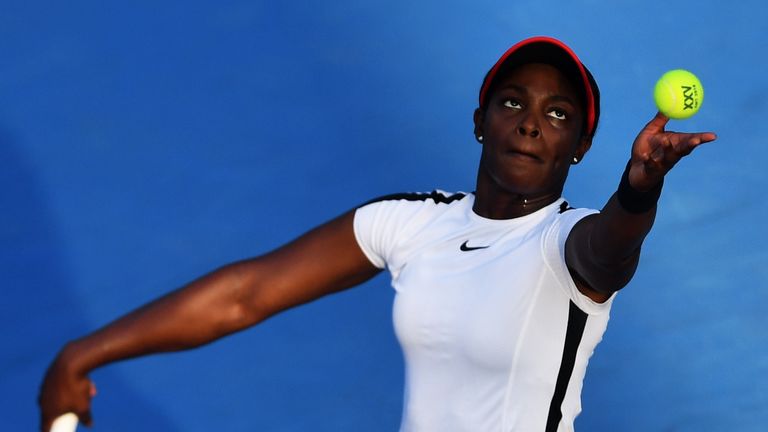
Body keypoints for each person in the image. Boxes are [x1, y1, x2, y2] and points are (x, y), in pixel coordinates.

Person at [38, 36, 716, 431]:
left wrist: (641, 186)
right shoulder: (414, 222)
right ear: (480, 121)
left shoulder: (571, 247)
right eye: (513, 102)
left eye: (558, 114)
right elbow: (247, 293)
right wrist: (83, 354)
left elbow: (615, 244)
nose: (532, 123)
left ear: (581, 148)